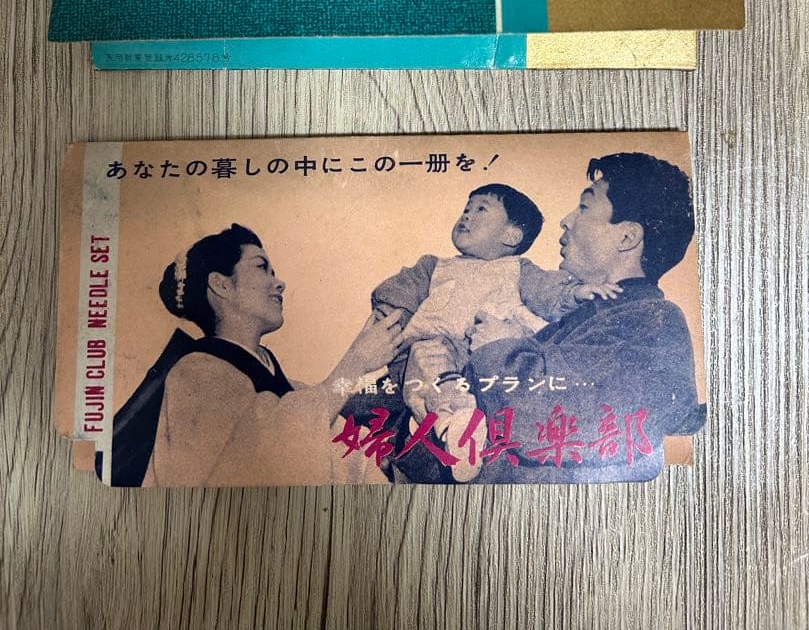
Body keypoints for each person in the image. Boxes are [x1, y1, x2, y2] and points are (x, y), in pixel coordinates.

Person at [461, 153, 706, 483]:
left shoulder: (652, 322)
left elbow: (548, 420)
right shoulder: (582, 318)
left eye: (585, 207)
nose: (566, 220)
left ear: (627, 237)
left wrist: (498, 348)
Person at [111, 223, 404, 487]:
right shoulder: (194, 373)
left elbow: (341, 445)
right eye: (262, 267)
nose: (279, 283)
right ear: (221, 285)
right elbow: (258, 457)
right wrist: (356, 361)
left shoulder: (289, 386)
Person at [370, 183, 621, 481]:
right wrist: (388, 316)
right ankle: (455, 432)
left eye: (481, 209)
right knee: (423, 382)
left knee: (468, 404)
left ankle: (461, 435)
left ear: (511, 236)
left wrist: (577, 293)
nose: (467, 215)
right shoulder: (434, 266)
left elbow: (549, 291)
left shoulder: (517, 268)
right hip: (430, 351)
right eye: (466, 209)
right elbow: (396, 293)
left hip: (482, 359)